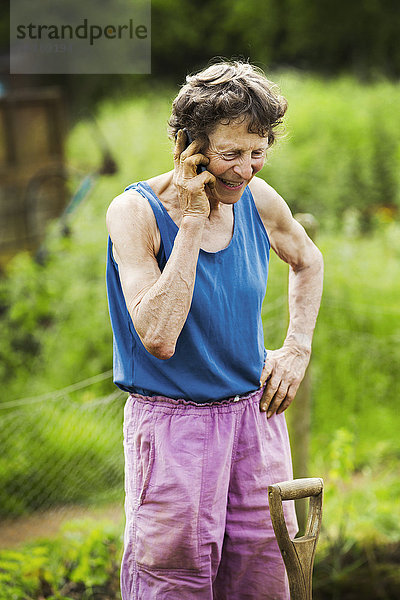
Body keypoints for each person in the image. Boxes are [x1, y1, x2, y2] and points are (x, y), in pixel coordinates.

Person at [106, 60, 324, 600]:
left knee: (263, 576)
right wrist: (191, 225)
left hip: (256, 421)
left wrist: (296, 347)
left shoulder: (260, 199)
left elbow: (308, 261)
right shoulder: (133, 212)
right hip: (174, 429)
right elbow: (157, 334)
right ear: (189, 146)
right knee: (172, 581)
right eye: (230, 154)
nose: (246, 170)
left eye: (258, 151)